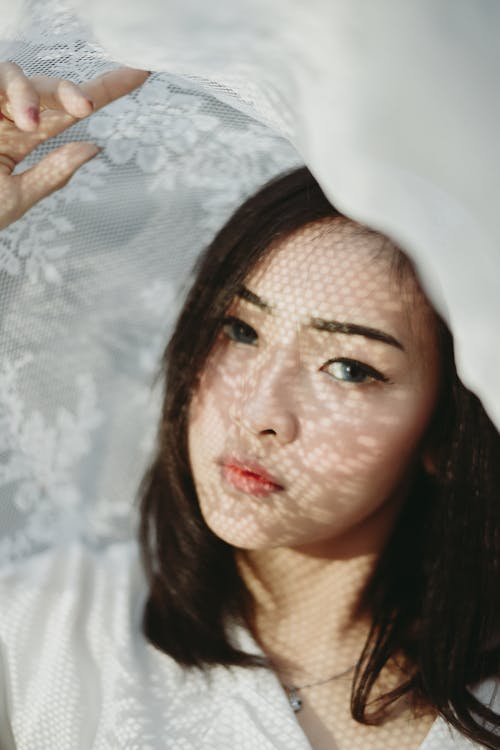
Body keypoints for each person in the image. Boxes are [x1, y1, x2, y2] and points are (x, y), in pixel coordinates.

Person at [0, 64, 499, 750]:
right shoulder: (51, 636)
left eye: (350, 368)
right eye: (238, 329)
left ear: (447, 428)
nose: (260, 411)